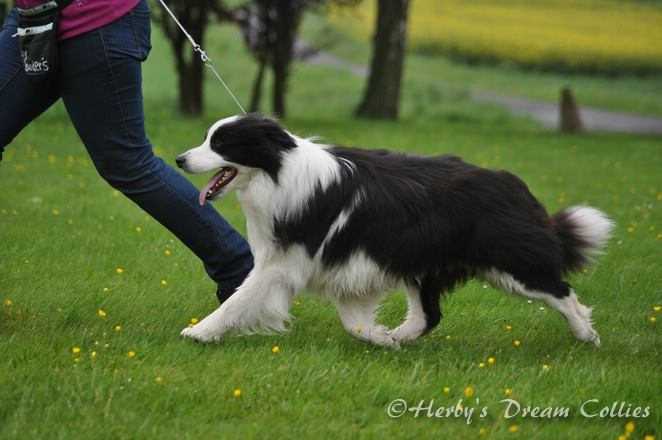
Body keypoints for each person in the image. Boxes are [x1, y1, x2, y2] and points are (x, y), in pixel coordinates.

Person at [0, 0, 254, 303]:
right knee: (127, 162)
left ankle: (240, 271)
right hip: (31, 21)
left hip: (96, 22)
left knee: (127, 162)